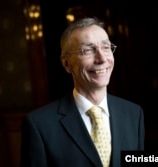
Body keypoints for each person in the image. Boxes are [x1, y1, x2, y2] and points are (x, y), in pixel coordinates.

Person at [20, 17, 145, 167]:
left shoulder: (133, 114)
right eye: (88, 50)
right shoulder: (39, 125)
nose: (102, 58)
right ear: (66, 64)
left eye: (106, 47)